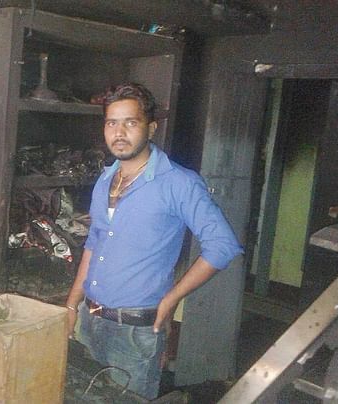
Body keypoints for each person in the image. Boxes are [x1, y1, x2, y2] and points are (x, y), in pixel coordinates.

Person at [64, 82, 243, 399]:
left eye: (130, 123)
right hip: (90, 321)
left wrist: (172, 299)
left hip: (135, 333)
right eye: (111, 123)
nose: (119, 133)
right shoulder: (106, 179)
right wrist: (71, 303)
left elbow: (223, 245)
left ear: (151, 128)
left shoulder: (178, 183)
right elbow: (94, 242)